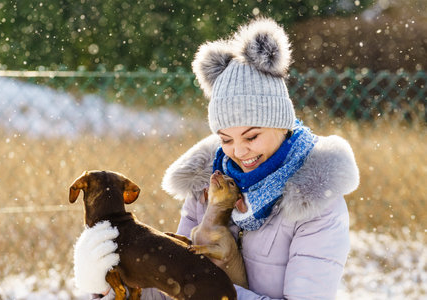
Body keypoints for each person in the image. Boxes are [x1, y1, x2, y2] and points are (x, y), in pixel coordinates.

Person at [73, 17, 359, 299]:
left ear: (282, 124)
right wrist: (106, 285)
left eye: (251, 137)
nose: (238, 151)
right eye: (225, 139)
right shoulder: (207, 189)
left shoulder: (314, 204)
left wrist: (209, 291)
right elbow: (169, 283)